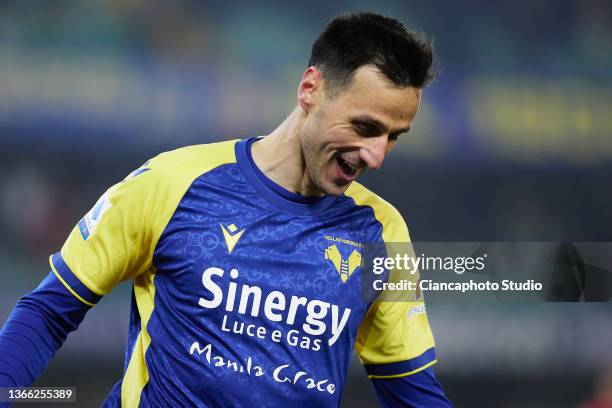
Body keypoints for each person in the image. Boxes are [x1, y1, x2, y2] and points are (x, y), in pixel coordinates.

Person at [0, 11, 452, 407]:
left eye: (393, 136)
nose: (377, 156)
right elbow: (48, 311)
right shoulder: (173, 183)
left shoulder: (381, 231)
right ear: (311, 88)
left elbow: (410, 387)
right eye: (365, 126)